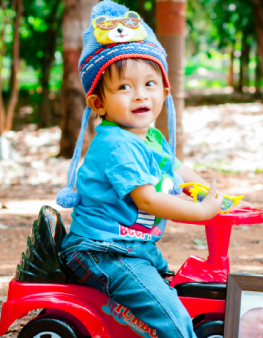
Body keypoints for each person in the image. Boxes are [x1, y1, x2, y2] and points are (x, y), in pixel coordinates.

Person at [55, 1, 251, 338]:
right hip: (103, 251)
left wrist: (211, 193)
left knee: (176, 288)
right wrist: (201, 211)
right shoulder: (117, 145)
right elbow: (147, 200)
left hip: (133, 248)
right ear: (98, 102)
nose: (139, 95)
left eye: (149, 84)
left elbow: (176, 168)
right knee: (172, 318)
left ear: (164, 90)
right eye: (124, 87)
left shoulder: (147, 137)